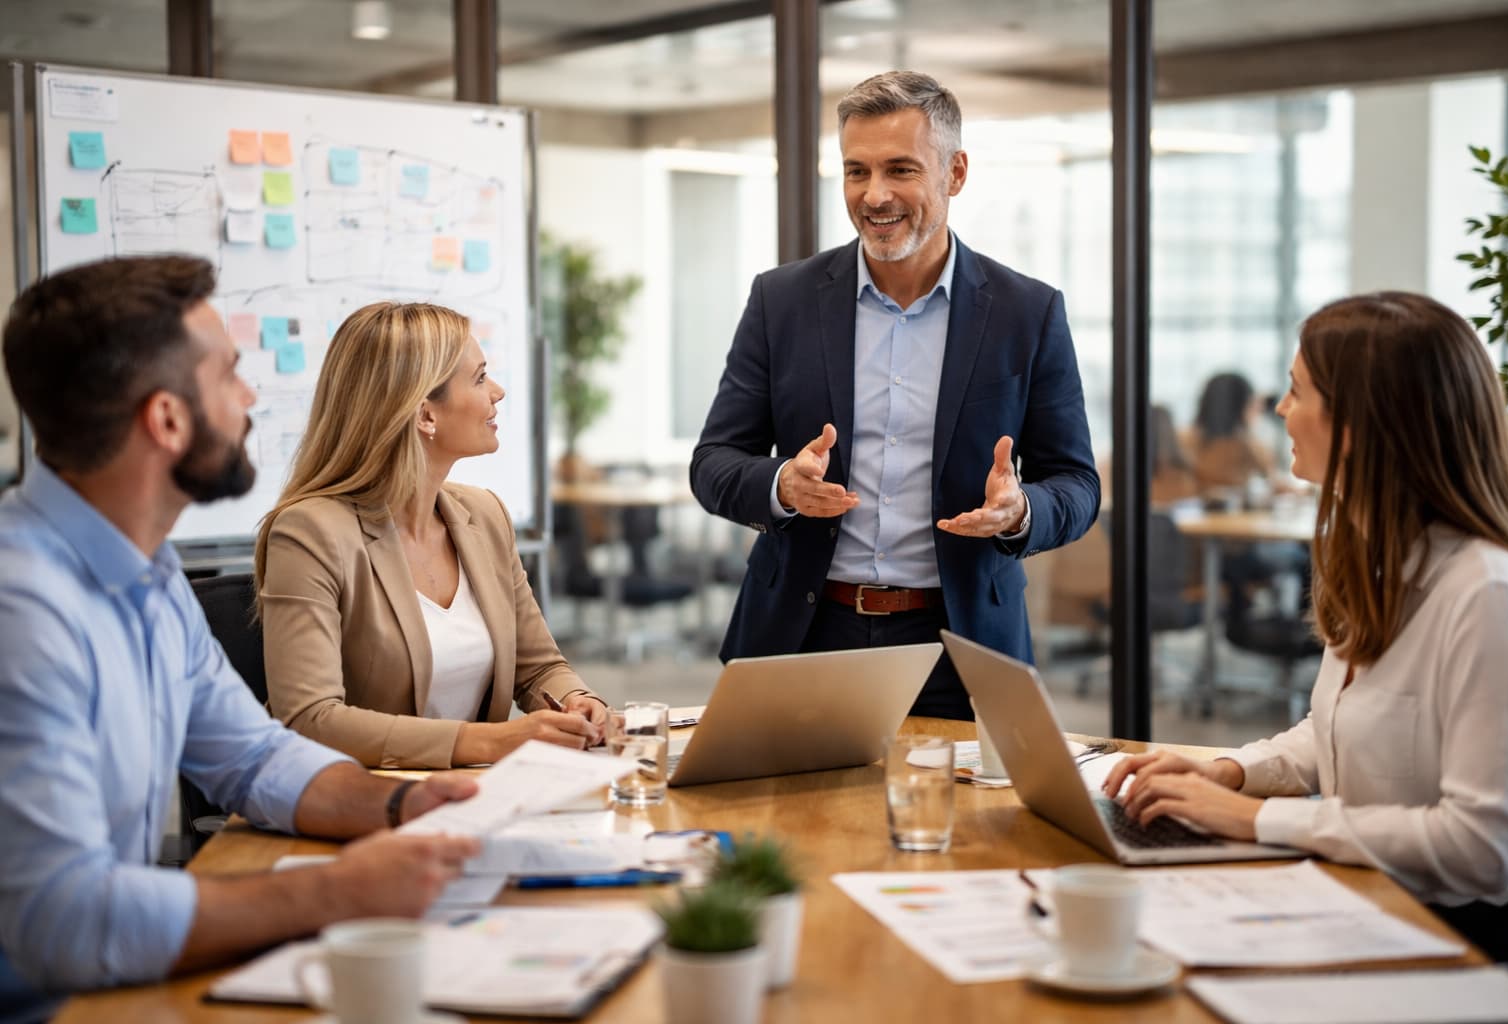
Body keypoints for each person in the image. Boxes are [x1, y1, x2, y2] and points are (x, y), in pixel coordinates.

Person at [0, 256, 481, 1022]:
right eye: (228, 376)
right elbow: (61, 920)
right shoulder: (23, 612)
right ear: (166, 419)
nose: (251, 396)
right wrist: (335, 892)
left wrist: (405, 804)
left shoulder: (149, 575)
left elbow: (253, 755)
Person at [1104, 292, 1508, 976]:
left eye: (1296, 392)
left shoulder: (1485, 592)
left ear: (1361, 424)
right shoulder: (1370, 555)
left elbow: (1483, 844)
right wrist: (1230, 773)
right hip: (1365, 901)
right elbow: (1330, 731)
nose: (1280, 412)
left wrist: (1253, 820)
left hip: (1464, 945)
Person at [689, 71, 1099, 720]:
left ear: (955, 172)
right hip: (804, 637)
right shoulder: (782, 301)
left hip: (960, 647)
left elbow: (1077, 484)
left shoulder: (1028, 311)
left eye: (900, 170)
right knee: (786, 824)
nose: (874, 196)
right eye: (856, 172)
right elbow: (713, 462)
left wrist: (1021, 511)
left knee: (955, 824)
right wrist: (781, 487)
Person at [256, 302, 606, 769]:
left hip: (475, 798)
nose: (497, 392)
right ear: (425, 415)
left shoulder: (485, 515)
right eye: (480, 379)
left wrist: (577, 702)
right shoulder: (310, 533)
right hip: (361, 804)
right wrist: (492, 743)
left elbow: (538, 668)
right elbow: (310, 719)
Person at [1186, 371, 1277, 496]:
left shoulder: (1183, 440)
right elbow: (1272, 480)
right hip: (1241, 514)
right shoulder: (1248, 446)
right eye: (1252, 403)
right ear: (1242, 406)